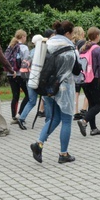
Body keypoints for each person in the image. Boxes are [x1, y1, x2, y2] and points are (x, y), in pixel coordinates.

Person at [30, 20, 78, 164]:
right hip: (64, 87)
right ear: (68, 33)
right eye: (72, 33)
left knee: (53, 118)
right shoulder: (70, 47)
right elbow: (76, 70)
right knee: (66, 120)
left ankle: (38, 144)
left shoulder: (47, 44)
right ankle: (63, 154)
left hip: (47, 86)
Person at [77, 27, 100, 136]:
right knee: (99, 104)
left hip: (84, 79)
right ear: (97, 36)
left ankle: (93, 128)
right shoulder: (98, 49)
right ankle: (84, 121)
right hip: (94, 79)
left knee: (92, 103)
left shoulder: (83, 48)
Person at [17, 34, 45, 128]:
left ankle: (21, 119)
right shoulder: (40, 52)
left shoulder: (31, 52)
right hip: (35, 79)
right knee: (46, 98)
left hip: (27, 78)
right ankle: (49, 119)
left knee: (32, 100)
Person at [5, 29, 30, 123]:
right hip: (20, 74)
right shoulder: (24, 48)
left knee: (15, 95)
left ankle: (13, 116)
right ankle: (20, 114)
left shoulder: (10, 46)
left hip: (10, 74)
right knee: (28, 95)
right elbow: (25, 62)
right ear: (23, 37)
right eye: (25, 37)